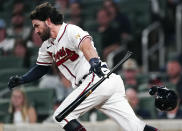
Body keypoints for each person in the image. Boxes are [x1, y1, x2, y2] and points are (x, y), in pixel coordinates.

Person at [8, 2, 159, 131]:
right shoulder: (47, 46)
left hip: (95, 79)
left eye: (37, 26)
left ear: (47, 21)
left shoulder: (70, 30)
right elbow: (41, 68)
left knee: (61, 115)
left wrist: (94, 61)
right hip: (101, 85)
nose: (35, 30)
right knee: (136, 128)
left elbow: (86, 45)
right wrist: (23, 79)